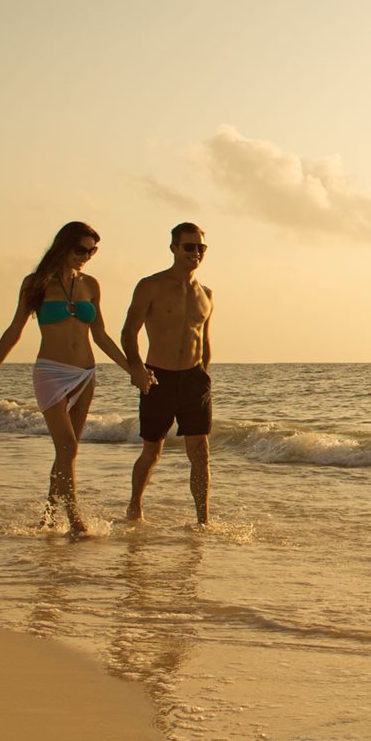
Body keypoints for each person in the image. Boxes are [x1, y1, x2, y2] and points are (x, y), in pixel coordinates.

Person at [0, 221, 153, 535]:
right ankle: (76, 521)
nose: (87, 256)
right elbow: (14, 331)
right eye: (81, 249)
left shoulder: (91, 285)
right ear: (63, 246)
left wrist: (133, 370)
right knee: (68, 447)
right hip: (50, 373)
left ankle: (49, 516)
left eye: (92, 250)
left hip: (85, 374)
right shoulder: (36, 284)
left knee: (67, 452)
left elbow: (101, 336)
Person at [121, 222, 215, 524]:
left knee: (200, 452)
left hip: (194, 379)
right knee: (152, 451)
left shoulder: (207, 294)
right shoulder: (151, 285)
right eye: (189, 247)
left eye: (201, 247)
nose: (196, 253)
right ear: (174, 248)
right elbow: (128, 332)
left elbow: (205, 339)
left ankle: (203, 520)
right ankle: (135, 506)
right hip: (158, 376)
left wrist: (204, 375)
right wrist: (136, 367)